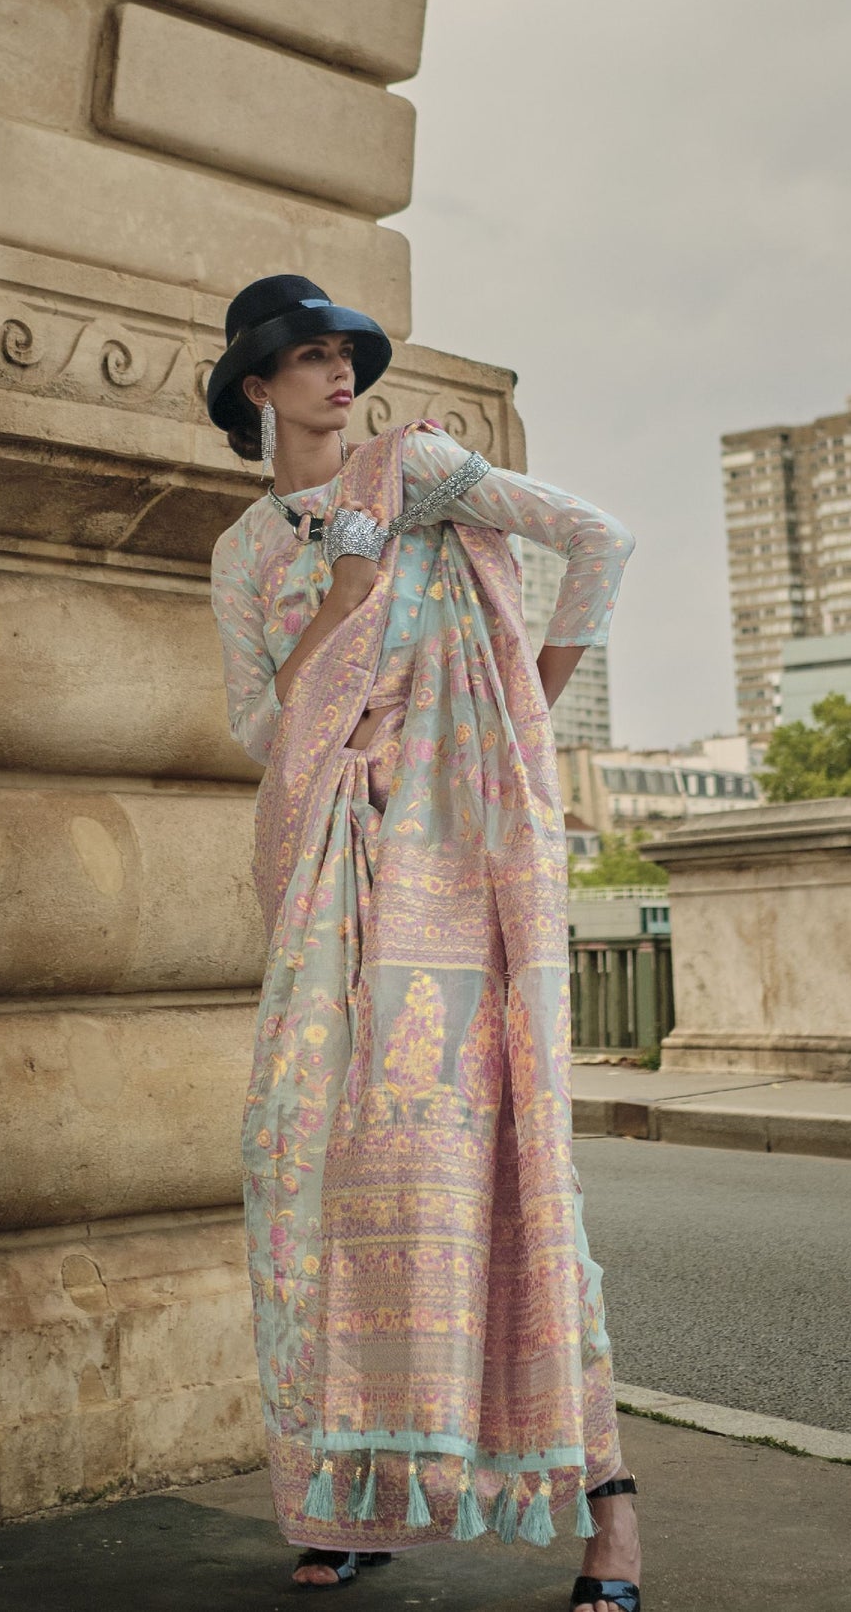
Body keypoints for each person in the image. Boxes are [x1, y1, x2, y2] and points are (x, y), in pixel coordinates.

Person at [207, 274, 641, 1612]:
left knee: (499, 1175)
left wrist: (521, 711)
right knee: (306, 1177)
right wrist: (343, 592)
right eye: (307, 357)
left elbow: (598, 538)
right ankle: (348, 1500)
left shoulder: (426, 470)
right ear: (252, 388)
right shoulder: (244, 554)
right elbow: (262, 730)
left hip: (451, 878)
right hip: (326, 876)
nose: (339, 376)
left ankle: (608, 1518)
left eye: (346, 354)